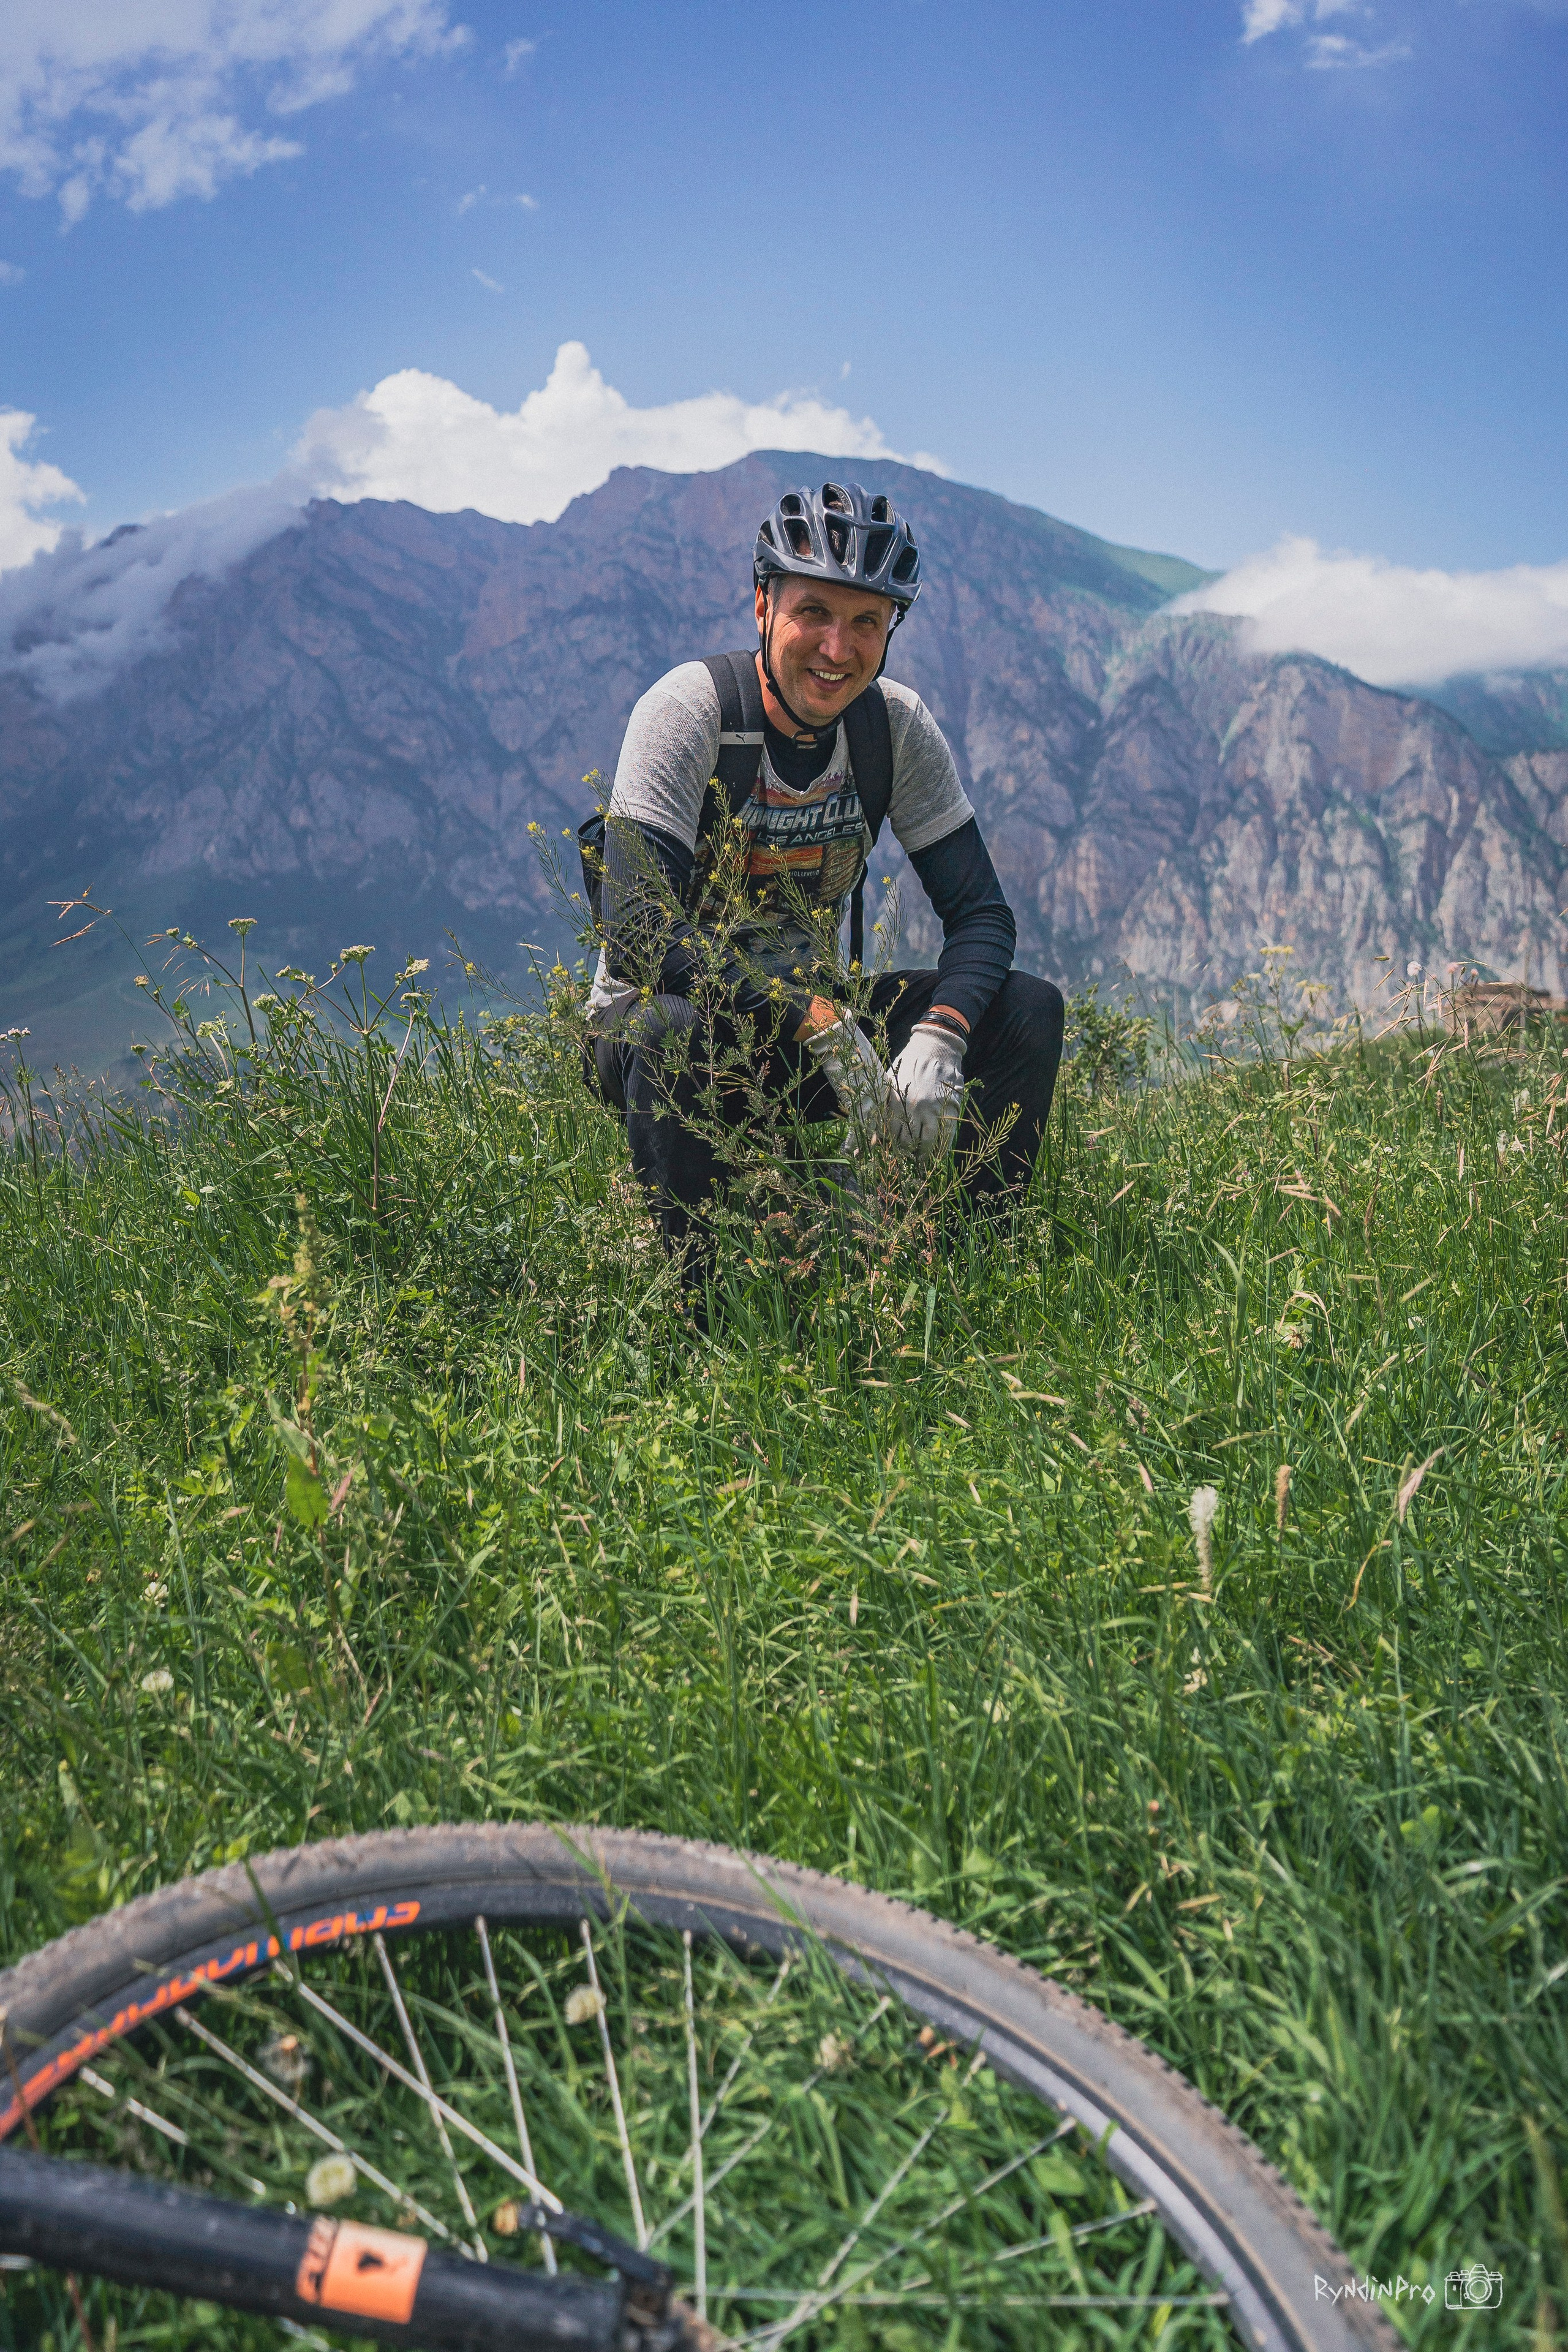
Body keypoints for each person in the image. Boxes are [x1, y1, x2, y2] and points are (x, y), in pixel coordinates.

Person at [584, 479, 1064, 1261]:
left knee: (1027, 1008)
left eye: (866, 622)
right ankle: (695, 1302)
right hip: (669, 1027)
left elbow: (981, 916)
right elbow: (639, 932)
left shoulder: (893, 729)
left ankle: (977, 1267)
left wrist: (940, 1035)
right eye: (813, 613)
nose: (838, 650)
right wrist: (806, 1014)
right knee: (671, 1028)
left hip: (820, 1034)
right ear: (762, 605)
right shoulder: (690, 712)